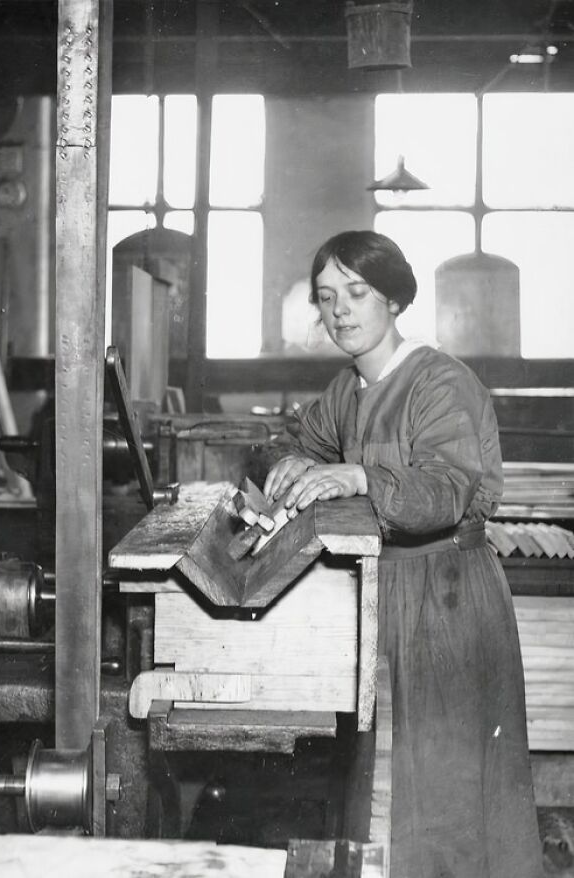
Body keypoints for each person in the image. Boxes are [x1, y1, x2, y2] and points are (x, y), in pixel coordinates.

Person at [263, 230, 542, 878]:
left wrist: (359, 476)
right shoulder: (348, 388)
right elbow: (296, 439)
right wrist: (292, 462)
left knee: (447, 799)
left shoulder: (440, 382)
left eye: (356, 292)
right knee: (386, 785)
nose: (340, 311)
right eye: (327, 297)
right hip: (385, 598)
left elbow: (446, 492)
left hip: (447, 601)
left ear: (393, 299)